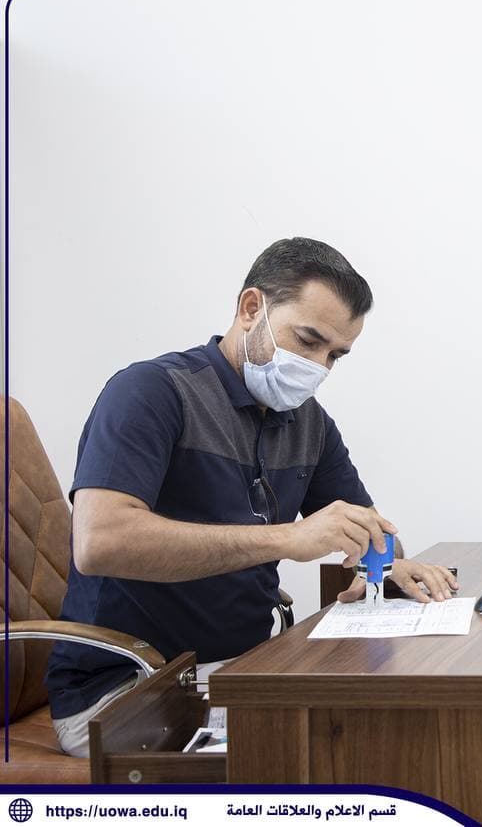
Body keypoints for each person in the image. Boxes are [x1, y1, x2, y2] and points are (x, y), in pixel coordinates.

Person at [47, 237, 459, 757]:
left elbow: (366, 527)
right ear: (250, 308)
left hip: (237, 670)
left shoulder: (308, 423)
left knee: (395, 716)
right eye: (308, 340)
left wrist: (383, 562)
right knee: (356, 744)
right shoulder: (151, 393)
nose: (318, 366)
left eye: (335, 355)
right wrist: (287, 538)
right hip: (130, 691)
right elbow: (101, 543)